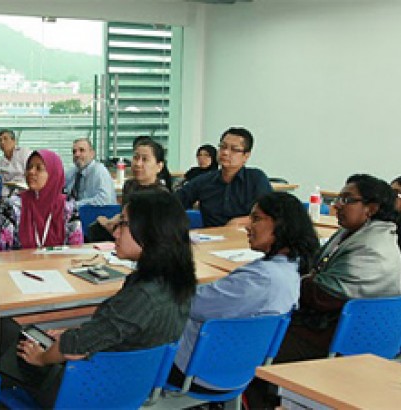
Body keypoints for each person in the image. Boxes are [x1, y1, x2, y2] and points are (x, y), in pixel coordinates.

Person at [0, 190, 197, 407]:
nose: (115, 232)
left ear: (150, 233)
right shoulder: (177, 282)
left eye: (123, 224)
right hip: (129, 388)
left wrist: (41, 358)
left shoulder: (143, 296)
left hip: (85, 393)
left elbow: (74, 347)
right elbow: (117, 328)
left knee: (3, 332)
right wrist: (75, 333)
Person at [248, 174, 401, 408]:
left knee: (250, 349)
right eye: (339, 197)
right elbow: (316, 269)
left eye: (347, 200)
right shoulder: (355, 233)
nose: (337, 204)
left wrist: (294, 279)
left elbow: (323, 296)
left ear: (371, 208)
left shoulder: (373, 247)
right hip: (363, 338)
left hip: (333, 336)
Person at [168, 192, 319, 393]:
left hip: (196, 372)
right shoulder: (290, 270)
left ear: (281, 224)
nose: (248, 226)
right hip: (239, 373)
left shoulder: (259, 279)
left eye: (256, 219)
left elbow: (187, 303)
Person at [175, 127, 272, 227]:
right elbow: (174, 203)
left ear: (246, 156)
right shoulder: (204, 181)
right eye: (223, 147)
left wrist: (238, 222)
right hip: (211, 240)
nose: (225, 152)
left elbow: (270, 214)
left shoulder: (256, 178)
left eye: (234, 149)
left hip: (246, 239)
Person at [0, 149, 83, 250]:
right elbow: (1, 250)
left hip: (59, 265)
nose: (31, 172)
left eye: (39, 168)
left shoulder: (68, 206)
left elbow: (76, 249)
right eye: (29, 167)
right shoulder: (13, 206)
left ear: (54, 173)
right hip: (20, 264)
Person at [86, 138, 169, 243]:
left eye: (145, 159)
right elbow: (124, 216)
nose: (138, 164)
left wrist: (109, 225)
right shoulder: (130, 185)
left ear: (159, 166)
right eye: (136, 157)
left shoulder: (161, 195)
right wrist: (110, 222)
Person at [64, 137, 117, 206]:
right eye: (74, 151)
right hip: (76, 214)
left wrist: (75, 205)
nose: (77, 154)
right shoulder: (71, 172)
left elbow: (105, 200)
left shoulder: (100, 171)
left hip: (99, 215)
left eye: (82, 150)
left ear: (92, 153)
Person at [0, 129, 31, 197]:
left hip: (25, 191)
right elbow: (4, 183)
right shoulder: (1, 162)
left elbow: (31, 175)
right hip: (9, 195)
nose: (2, 142)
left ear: (14, 141)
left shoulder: (24, 153)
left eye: (5, 139)